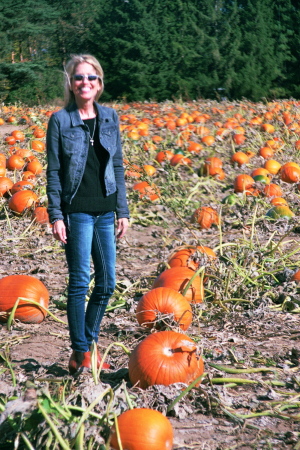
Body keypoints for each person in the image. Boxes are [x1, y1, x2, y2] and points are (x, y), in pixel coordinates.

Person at [46, 54, 129, 375]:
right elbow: (53, 171)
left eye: (91, 78)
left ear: (99, 83)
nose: (86, 83)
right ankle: (81, 352)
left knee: (107, 283)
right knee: (80, 282)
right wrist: (56, 214)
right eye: (79, 77)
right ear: (71, 83)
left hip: (106, 210)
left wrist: (122, 209)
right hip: (76, 211)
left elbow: (118, 165)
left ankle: (88, 346)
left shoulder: (110, 117)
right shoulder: (61, 120)